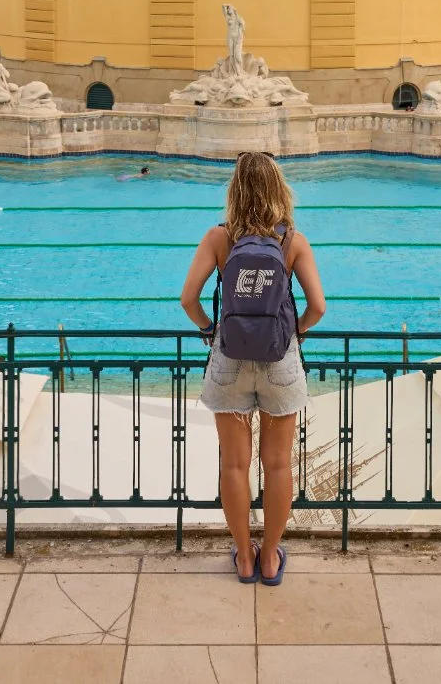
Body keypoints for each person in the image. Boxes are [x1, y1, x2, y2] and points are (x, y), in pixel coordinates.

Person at [180, 151, 326, 587]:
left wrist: (212, 331)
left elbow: (188, 300)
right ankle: (270, 561)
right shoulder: (292, 242)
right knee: (279, 464)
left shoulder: (218, 238)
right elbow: (318, 307)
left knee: (234, 466)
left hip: (230, 358)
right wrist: (293, 333)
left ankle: (244, 557)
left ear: (235, 192)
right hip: (280, 359)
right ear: (279, 190)